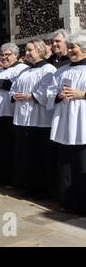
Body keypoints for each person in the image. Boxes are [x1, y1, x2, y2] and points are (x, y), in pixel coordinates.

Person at [10, 39, 57, 198]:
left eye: (30, 50)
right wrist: (14, 95)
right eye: (26, 50)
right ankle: (28, 185)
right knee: (26, 155)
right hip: (22, 118)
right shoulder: (24, 71)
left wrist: (31, 96)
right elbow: (13, 88)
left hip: (39, 120)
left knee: (39, 155)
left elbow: (47, 92)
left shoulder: (48, 69)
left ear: (40, 50)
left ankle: (41, 189)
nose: (27, 53)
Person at [47, 31, 86, 214]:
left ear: (84, 49)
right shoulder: (61, 70)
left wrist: (82, 94)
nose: (69, 50)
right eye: (68, 47)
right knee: (66, 164)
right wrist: (57, 95)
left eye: (73, 47)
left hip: (83, 123)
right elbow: (48, 94)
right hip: (65, 122)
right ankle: (68, 202)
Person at [0, 43, 29, 184]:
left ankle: (7, 177)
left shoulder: (22, 69)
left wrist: (0, 83)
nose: (3, 58)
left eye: (7, 55)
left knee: (6, 147)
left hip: (7, 114)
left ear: (15, 55)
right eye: (2, 55)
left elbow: (18, 86)